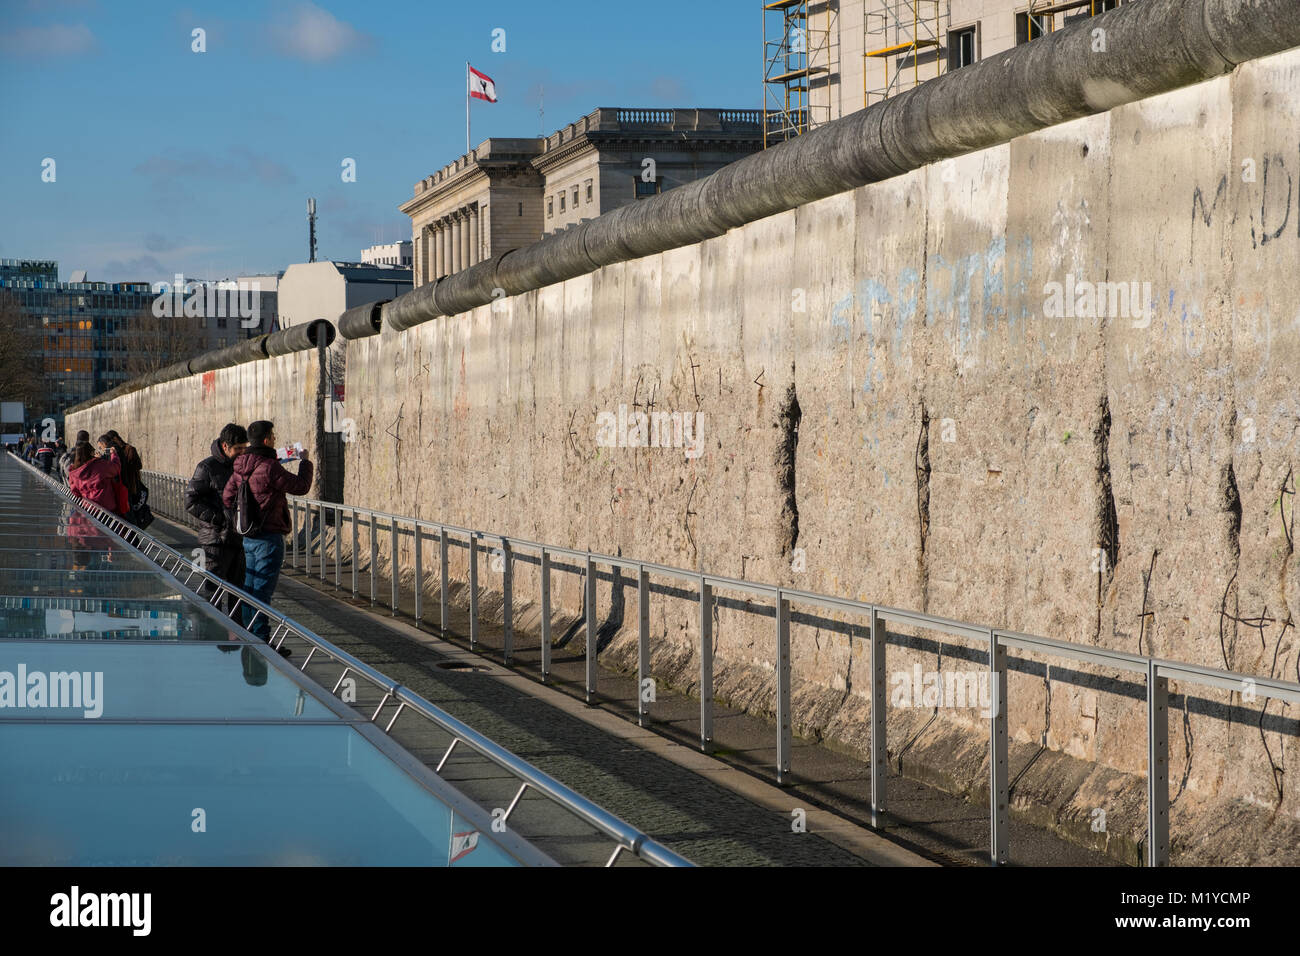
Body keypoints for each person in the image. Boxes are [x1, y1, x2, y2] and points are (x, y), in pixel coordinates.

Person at [222, 420, 312, 649]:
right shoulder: (269, 467)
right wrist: (305, 461)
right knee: (261, 592)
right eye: (272, 435)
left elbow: (227, 497)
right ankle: (260, 640)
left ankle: (249, 634)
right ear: (265, 440)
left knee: (250, 588)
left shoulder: (240, 466)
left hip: (248, 537)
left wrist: (244, 514)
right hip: (269, 537)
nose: (274, 438)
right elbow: (301, 486)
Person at [186, 423, 249, 611]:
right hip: (215, 540)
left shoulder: (243, 465)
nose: (242, 453)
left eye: (244, 448)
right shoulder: (207, 467)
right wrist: (220, 520)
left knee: (239, 594)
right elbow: (190, 502)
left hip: (238, 539)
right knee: (213, 592)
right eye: (238, 449)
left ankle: (237, 636)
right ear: (225, 446)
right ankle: (215, 635)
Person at [67, 441, 122, 514]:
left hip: (87, 507)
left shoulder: (74, 472)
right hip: (106, 508)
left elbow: (75, 492)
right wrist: (113, 454)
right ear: (91, 453)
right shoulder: (100, 464)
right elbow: (115, 468)